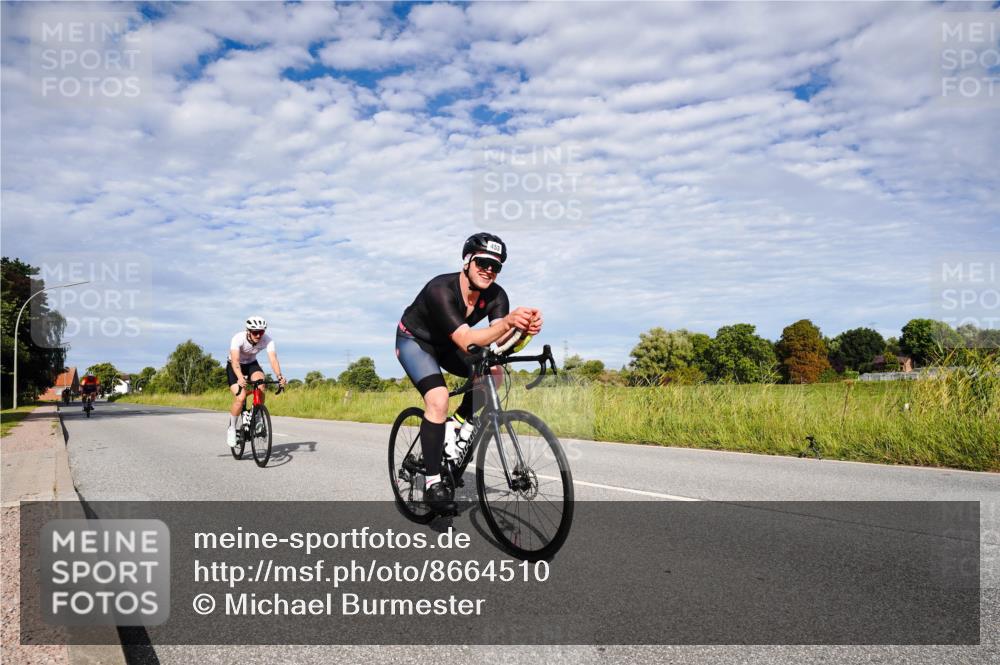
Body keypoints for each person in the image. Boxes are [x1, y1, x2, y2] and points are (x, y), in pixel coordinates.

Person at [396, 233, 543, 513]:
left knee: (494, 372)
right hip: (417, 342)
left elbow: (498, 343)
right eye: (483, 263)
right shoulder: (440, 289)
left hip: (450, 344)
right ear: (467, 261)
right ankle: (432, 482)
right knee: (438, 399)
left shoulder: (497, 296)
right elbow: (467, 341)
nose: (489, 270)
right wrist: (510, 323)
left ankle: (460, 421)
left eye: (496, 266)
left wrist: (524, 332)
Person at [226, 316, 287, 447]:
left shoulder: (267, 340)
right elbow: (235, 361)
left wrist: (279, 376)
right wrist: (240, 377)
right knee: (241, 397)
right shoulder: (238, 338)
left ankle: (258, 416)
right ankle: (231, 429)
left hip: (252, 364)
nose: (258, 335)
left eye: (261, 332)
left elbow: (273, 359)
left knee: (261, 384)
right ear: (248, 331)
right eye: (255, 332)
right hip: (235, 366)